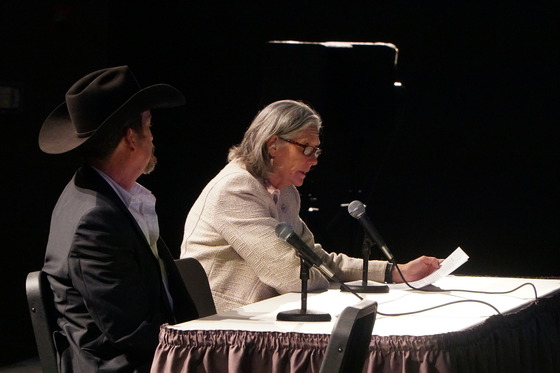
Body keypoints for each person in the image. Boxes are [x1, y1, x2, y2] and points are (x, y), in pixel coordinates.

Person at [180, 99, 441, 313]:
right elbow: (292, 275)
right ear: (273, 146)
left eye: (316, 151)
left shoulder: (287, 193)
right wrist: (330, 279)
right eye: (306, 149)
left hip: (268, 313)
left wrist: (394, 272)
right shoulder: (235, 190)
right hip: (222, 325)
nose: (314, 161)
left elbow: (317, 260)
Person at [39, 65, 198, 373]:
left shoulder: (105, 198)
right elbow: (131, 332)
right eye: (149, 126)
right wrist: (199, 355)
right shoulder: (94, 219)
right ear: (130, 138)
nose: (153, 138)